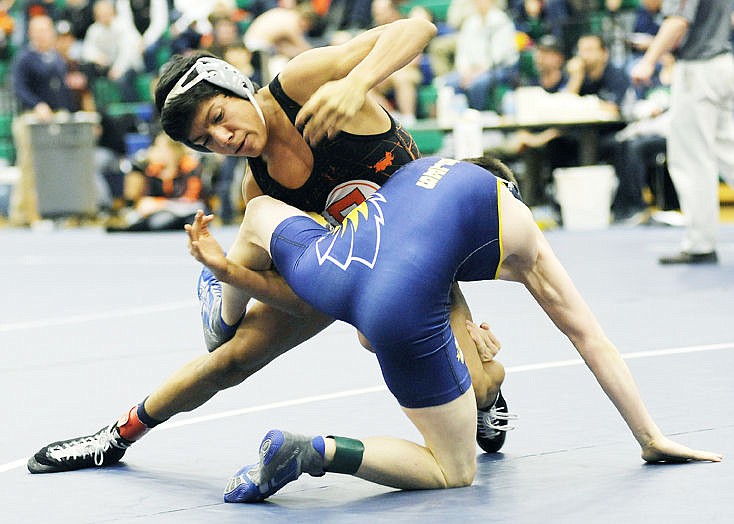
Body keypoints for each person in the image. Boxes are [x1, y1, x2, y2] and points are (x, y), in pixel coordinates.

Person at [26, 18, 511, 475]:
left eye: (218, 117)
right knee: (231, 357)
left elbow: (418, 28)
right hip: (350, 263)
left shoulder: (301, 84)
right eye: (205, 140)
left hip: (418, 262)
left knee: (479, 389)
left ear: (236, 85)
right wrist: (239, 278)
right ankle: (118, 434)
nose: (223, 138)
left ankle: (490, 388)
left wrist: (354, 82)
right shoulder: (259, 189)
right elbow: (302, 292)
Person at [184, 155, 723, 503]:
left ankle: (222, 313)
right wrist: (649, 438)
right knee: (453, 469)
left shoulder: (421, 173)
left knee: (257, 214)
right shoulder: (521, 231)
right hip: (394, 310)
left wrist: (231, 273)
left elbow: (371, 329)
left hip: (333, 266)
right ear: (510, 191)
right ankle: (316, 452)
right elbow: (589, 337)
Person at [630, 0, 734, 264]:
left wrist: (648, 61)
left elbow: (678, 21)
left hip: (699, 70)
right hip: (723, 63)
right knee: (729, 153)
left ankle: (701, 243)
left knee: (691, 159)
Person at [9, 14, 77, 227]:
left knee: (59, 167)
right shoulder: (24, 58)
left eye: (46, 30)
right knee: (30, 167)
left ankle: (59, 210)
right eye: (38, 31)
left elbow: (62, 90)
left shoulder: (56, 57)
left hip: (55, 119)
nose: (43, 35)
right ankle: (27, 214)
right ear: (31, 34)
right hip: (30, 119)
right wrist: (37, 104)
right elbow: (19, 88)